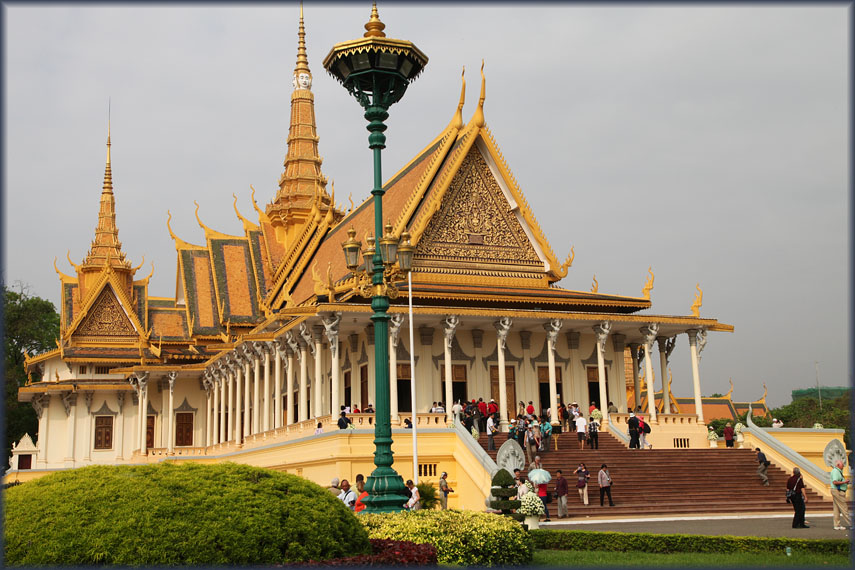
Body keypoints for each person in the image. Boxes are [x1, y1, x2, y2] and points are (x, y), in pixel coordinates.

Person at [830, 459, 851, 530]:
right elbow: (835, 482)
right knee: (844, 507)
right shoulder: (836, 471)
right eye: (842, 465)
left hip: (837, 490)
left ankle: (837, 525)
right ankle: (851, 523)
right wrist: (844, 482)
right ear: (838, 465)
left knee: (836, 509)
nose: (843, 466)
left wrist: (844, 482)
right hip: (837, 491)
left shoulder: (837, 471)